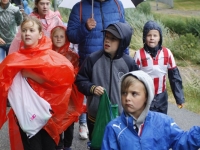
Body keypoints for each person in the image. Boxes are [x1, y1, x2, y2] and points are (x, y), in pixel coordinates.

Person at [0, 16, 74, 150]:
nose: (27, 33)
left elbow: (59, 82)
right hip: (26, 113)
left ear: (40, 34)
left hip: (48, 113)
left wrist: (30, 75)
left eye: (31, 30)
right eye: (24, 30)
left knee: (49, 145)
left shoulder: (50, 58)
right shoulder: (14, 59)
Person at [66, 0, 127, 139]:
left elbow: (124, 33)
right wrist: (85, 27)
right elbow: (71, 36)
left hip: (114, 61)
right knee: (94, 99)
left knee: (115, 97)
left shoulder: (117, 5)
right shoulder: (80, 7)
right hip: (91, 62)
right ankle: (95, 136)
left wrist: (125, 58)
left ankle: (114, 135)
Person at [75, 22, 139, 149]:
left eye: (113, 38)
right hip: (95, 116)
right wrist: (91, 88)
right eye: (106, 37)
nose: (107, 40)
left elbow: (137, 88)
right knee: (97, 144)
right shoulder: (93, 59)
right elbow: (80, 80)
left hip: (120, 116)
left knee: (118, 145)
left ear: (122, 42)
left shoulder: (129, 63)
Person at [102, 70, 200, 150]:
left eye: (134, 93)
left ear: (147, 97)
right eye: (124, 93)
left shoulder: (163, 122)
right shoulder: (114, 128)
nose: (127, 98)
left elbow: (181, 142)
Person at [133, 20, 185, 114]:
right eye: (149, 35)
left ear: (160, 37)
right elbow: (133, 79)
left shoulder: (167, 53)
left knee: (161, 122)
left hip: (162, 97)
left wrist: (179, 98)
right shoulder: (138, 55)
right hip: (145, 96)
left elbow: (174, 77)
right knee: (146, 123)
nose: (152, 38)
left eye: (155, 35)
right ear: (144, 37)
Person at [51, 25, 84, 150]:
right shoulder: (48, 54)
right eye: (56, 36)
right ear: (51, 38)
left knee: (69, 120)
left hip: (69, 95)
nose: (59, 39)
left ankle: (68, 145)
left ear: (66, 39)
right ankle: (58, 144)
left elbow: (75, 72)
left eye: (61, 36)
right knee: (56, 119)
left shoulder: (72, 56)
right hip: (55, 96)